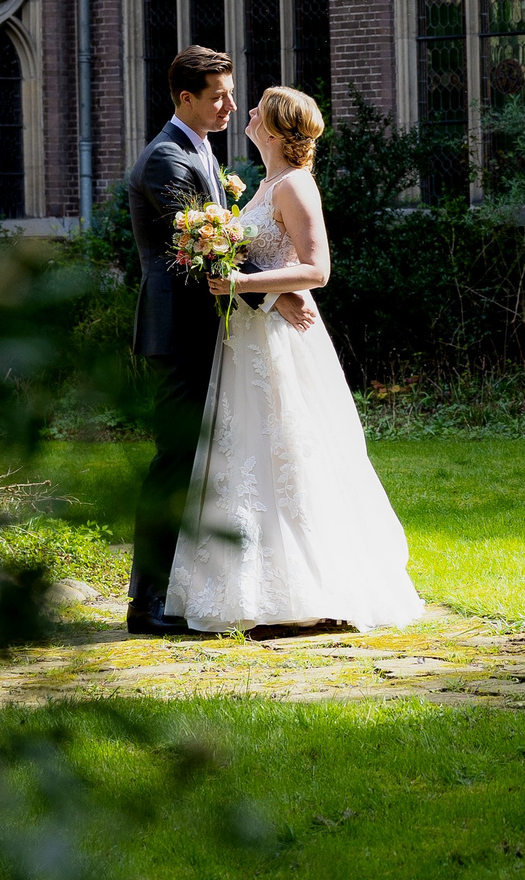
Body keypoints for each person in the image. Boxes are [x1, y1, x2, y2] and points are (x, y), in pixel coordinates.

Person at [164, 84, 426, 635]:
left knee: (290, 455)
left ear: (278, 129)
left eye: (257, 108)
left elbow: (317, 270)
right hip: (252, 337)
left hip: (283, 341)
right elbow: (266, 256)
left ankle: (313, 590)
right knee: (252, 456)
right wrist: (256, 284)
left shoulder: (296, 186)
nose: (248, 112)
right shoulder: (264, 185)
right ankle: (257, 590)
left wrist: (244, 281)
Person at [124, 45, 301, 635]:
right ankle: (145, 605)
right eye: (219, 95)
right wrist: (276, 294)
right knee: (175, 463)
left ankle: (182, 592)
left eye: (230, 92)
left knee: (203, 462)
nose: (230, 104)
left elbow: (224, 245)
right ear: (185, 99)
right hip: (180, 334)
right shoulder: (166, 161)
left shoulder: (200, 151)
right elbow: (207, 255)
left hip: (212, 329)